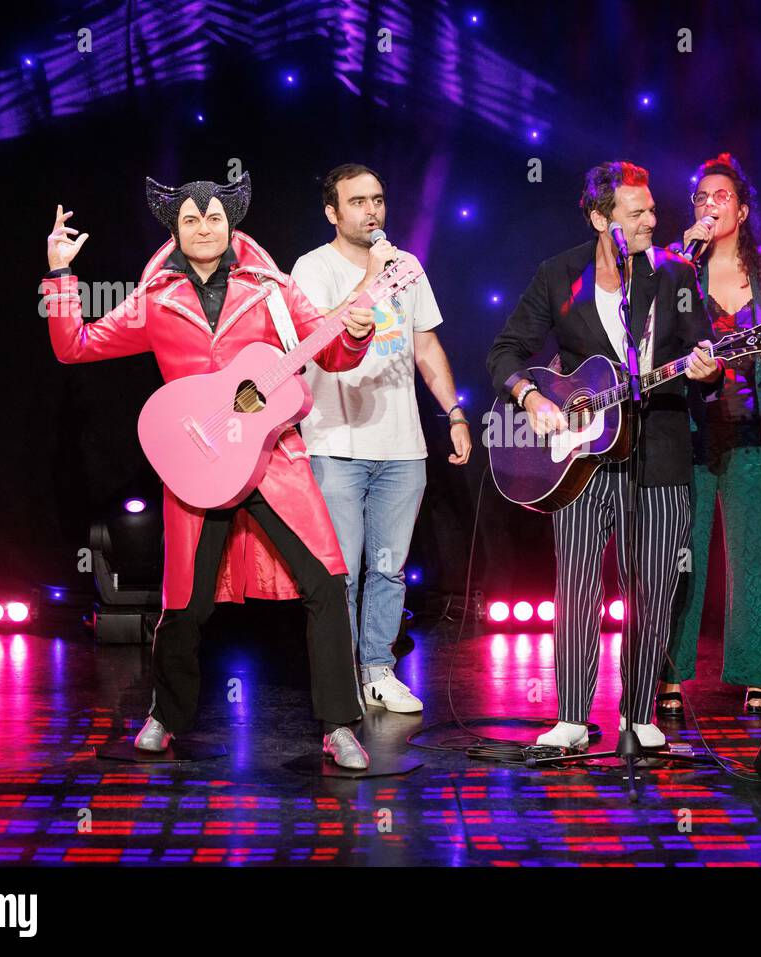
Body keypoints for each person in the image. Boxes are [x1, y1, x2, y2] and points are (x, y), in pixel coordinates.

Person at [40, 174, 376, 769]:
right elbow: (76, 346)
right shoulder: (155, 299)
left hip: (274, 461)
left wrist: (356, 330)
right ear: (175, 229)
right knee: (184, 605)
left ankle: (340, 726)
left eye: (215, 218)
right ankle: (165, 716)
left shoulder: (273, 290)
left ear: (232, 225)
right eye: (192, 219)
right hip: (199, 465)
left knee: (327, 584)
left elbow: (331, 353)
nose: (204, 228)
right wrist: (62, 276)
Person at [486, 161, 722, 750]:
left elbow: (704, 359)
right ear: (600, 218)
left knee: (654, 585)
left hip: (661, 451)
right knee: (578, 583)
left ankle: (640, 713)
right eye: (635, 212)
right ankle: (570, 715)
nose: (652, 220)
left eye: (650, 210)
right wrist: (532, 396)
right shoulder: (557, 273)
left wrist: (709, 369)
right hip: (581, 461)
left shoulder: (676, 275)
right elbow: (505, 352)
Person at [291, 164, 470, 714]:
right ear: (333, 213)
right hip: (335, 444)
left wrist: (455, 411)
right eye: (358, 202)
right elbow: (321, 336)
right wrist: (371, 274)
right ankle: (339, 676)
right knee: (338, 571)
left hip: (401, 447)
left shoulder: (408, 266)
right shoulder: (312, 268)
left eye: (378, 199)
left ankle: (378, 669)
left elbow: (425, 346)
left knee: (389, 568)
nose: (371, 211)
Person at [659, 153, 761, 717]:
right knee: (682, 556)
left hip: (756, 429)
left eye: (720, 196)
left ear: (742, 210)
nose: (709, 204)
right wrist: (675, 257)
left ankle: (755, 673)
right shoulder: (678, 269)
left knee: (749, 556)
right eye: (700, 197)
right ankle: (670, 674)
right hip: (691, 431)